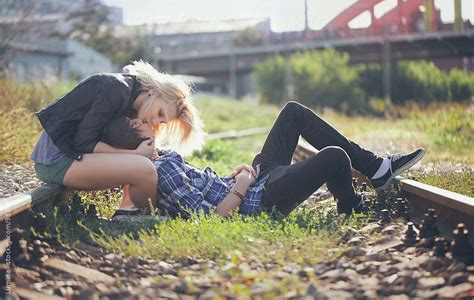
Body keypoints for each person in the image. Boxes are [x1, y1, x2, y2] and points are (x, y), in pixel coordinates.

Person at [102, 101, 425, 220]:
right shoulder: (162, 168)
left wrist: (234, 177)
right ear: (136, 137)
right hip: (260, 200)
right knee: (335, 159)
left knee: (292, 113)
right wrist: (242, 187)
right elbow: (210, 218)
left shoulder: (167, 157)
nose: (153, 124)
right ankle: (350, 204)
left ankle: (375, 168)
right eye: (145, 124)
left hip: (255, 182)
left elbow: (204, 189)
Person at [31, 61, 205, 215]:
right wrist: (136, 154)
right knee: (144, 168)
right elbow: (83, 143)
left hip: (73, 157)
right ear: (153, 92)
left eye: (163, 121)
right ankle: (139, 216)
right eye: (160, 113)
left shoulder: (133, 105)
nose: (156, 121)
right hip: (56, 160)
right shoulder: (115, 89)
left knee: (147, 161)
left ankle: (128, 210)